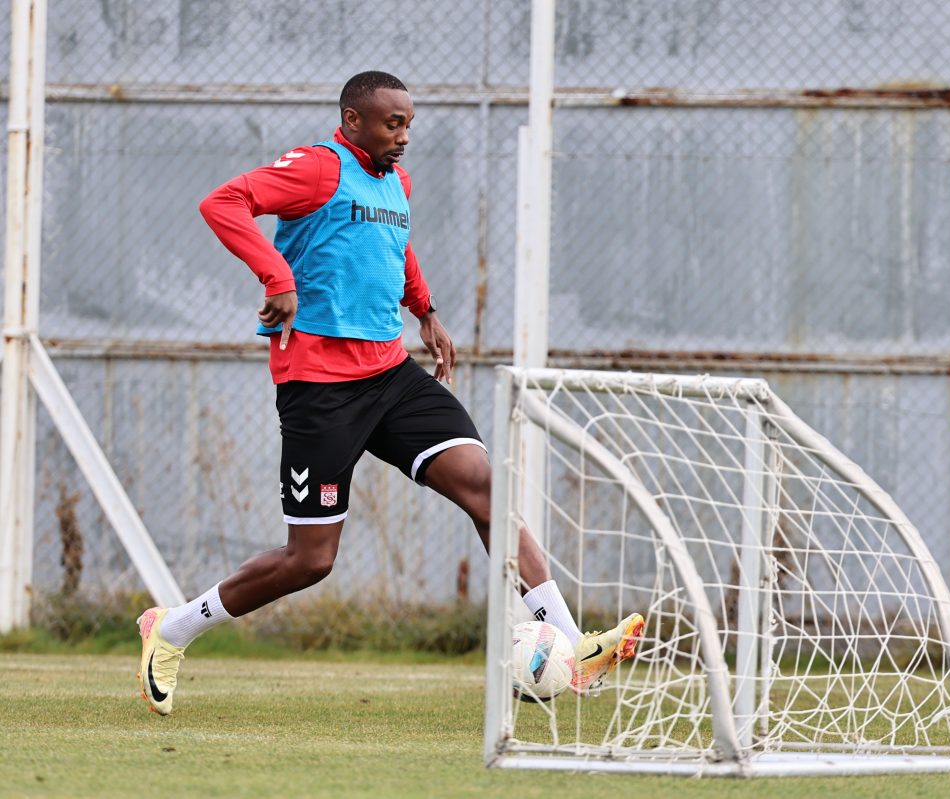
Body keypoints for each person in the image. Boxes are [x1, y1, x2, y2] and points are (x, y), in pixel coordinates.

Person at [136, 71, 644, 716]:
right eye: (391, 123)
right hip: (320, 386)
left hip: (391, 373)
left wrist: (425, 310)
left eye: (408, 124)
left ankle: (572, 647)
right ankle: (172, 630)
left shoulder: (395, 181)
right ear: (353, 120)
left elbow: (393, 245)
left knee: (488, 489)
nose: (403, 136)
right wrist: (276, 275)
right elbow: (223, 202)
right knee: (310, 560)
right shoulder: (317, 169)